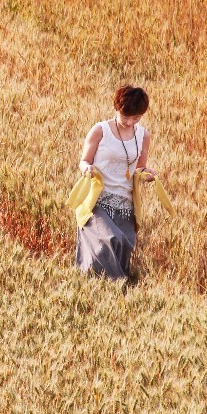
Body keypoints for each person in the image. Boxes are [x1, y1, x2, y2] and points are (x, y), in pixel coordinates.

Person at [74, 84, 160, 282]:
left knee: (125, 243)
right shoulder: (100, 130)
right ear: (117, 109)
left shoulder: (143, 136)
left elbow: (139, 168)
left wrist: (147, 175)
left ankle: (110, 289)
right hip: (98, 200)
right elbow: (84, 160)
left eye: (136, 118)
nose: (130, 122)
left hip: (125, 202)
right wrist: (86, 168)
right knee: (110, 240)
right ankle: (110, 287)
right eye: (126, 117)